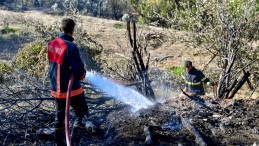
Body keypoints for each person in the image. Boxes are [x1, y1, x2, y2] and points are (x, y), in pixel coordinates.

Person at [48, 18, 88, 146]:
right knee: (83, 114)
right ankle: (73, 143)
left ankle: (60, 144)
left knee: (59, 118)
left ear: (61, 28)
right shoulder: (71, 47)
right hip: (71, 90)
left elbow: (58, 64)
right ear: (72, 30)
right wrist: (81, 74)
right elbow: (79, 73)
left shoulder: (52, 44)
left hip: (56, 89)